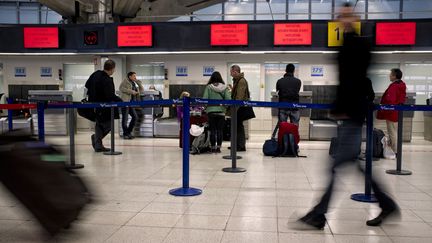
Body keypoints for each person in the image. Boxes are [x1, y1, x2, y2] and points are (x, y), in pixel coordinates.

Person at [291, 3, 399, 230]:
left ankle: (319, 214)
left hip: (353, 112)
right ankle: (386, 204)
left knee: (336, 165)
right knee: (349, 164)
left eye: (347, 15)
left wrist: (344, 106)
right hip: (350, 111)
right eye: (341, 15)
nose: (343, 18)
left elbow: (354, 79)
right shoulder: (348, 44)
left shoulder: (359, 44)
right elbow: (347, 79)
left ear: (355, 18)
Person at [85, 59, 122, 152]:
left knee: (99, 124)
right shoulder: (107, 80)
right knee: (108, 125)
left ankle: (98, 145)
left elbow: (86, 85)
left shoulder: (95, 74)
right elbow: (110, 95)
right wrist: (120, 101)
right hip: (105, 106)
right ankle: (97, 139)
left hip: (94, 104)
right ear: (112, 69)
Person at [377, 68, 407, 154]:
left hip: (391, 112)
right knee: (394, 131)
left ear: (395, 76)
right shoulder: (401, 85)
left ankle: (395, 151)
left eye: (391, 74)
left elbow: (390, 99)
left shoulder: (394, 86)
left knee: (392, 132)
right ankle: (395, 149)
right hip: (396, 111)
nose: (389, 76)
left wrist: (385, 108)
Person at [203, 71, 231, 153]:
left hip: (211, 112)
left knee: (213, 130)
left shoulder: (209, 87)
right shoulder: (224, 87)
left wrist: (205, 108)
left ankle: (213, 147)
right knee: (220, 130)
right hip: (221, 112)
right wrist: (224, 107)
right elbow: (228, 99)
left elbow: (205, 99)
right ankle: (218, 148)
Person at [229, 64, 251, 152]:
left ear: (235, 71)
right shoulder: (237, 80)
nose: (230, 74)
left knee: (239, 126)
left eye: (231, 72)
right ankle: (236, 145)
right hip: (238, 107)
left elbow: (240, 96)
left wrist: (235, 108)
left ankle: (241, 146)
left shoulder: (241, 81)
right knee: (237, 126)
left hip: (239, 107)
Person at [119, 71, 144, 139]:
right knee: (125, 119)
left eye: (135, 76)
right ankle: (125, 134)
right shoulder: (125, 81)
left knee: (135, 117)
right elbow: (121, 88)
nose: (135, 77)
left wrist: (138, 82)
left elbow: (142, 89)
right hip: (125, 102)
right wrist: (132, 92)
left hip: (132, 103)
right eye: (134, 76)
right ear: (130, 76)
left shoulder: (134, 83)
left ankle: (128, 132)